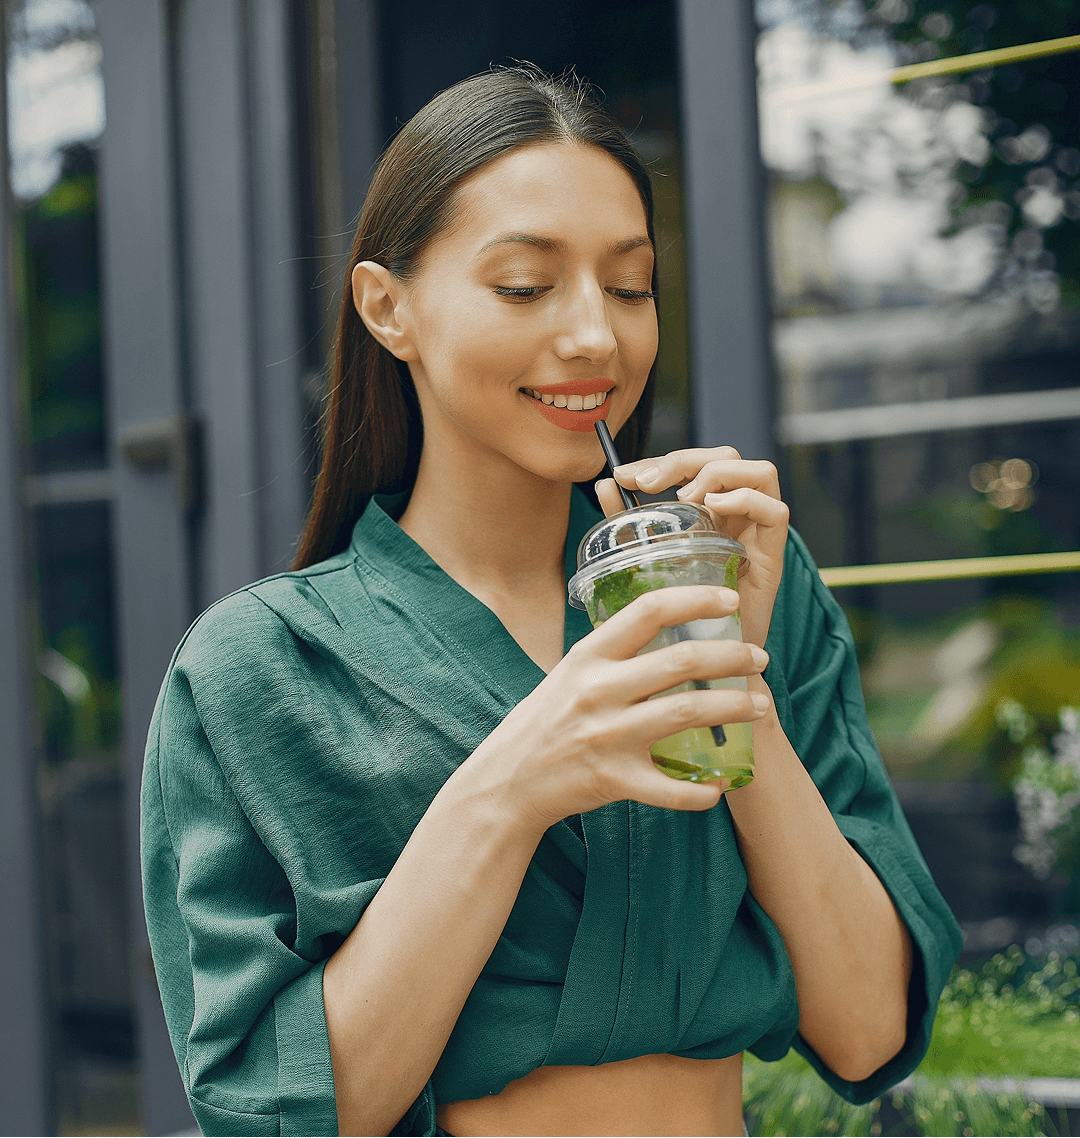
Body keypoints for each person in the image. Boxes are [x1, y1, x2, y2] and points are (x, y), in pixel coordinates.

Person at [142, 67, 962, 1138]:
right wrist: (512, 788)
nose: (597, 339)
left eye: (630, 287)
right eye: (526, 286)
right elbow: (278, 1115)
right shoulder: (260, 667)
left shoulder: (740, 584)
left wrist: (734, 690)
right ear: (388, 309)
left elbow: (867, 1028)